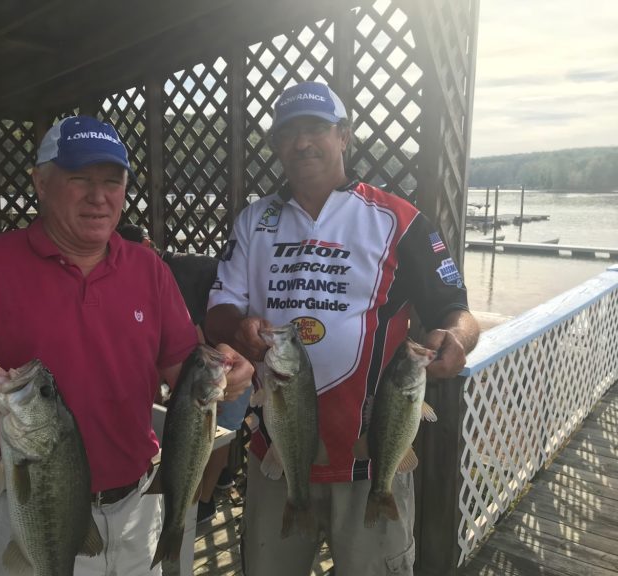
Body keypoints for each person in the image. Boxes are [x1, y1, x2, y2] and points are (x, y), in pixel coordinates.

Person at [0, 115, 253, 576]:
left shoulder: (150, 270)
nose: (99, 196)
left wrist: (225, 379)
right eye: (80, 180)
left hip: (135, 504)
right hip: (29, 506)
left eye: (112, 182)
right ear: (41, 182)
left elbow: (183, 371)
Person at [204, 81, 480, 576]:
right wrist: (240, 327)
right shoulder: (253, 220)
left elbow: (454, 309)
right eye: (288, 133)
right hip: (278, 456)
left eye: (315, 129)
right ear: (276, 145)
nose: (302, 143)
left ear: (344, 136)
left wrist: (456, 339)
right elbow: (219, 309)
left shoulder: (401, 219)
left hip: (376, 455)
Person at [117, 222, 251, 524]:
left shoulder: (173, 274)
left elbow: (197, 340)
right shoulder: (141, 275)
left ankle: (203, 502)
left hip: (229, 352)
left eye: (131, 252)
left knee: (222, 426)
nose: (127, 261)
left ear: (149, 245)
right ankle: (217, 481)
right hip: (208, 357)